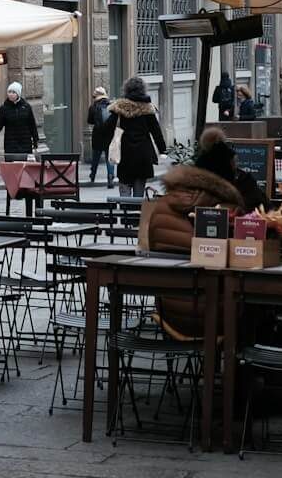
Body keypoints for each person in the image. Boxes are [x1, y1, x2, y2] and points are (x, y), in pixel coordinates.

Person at [140, 128, 247, 337]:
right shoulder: (229, 210)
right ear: (225, 176)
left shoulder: (161, 207)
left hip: (168, 315)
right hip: (217, 316)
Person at [99, 77, 168, 194]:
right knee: (139, 194)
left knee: (124, 190)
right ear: (143, 90)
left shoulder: (119, 108)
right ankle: (136, 211)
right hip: (143, 155)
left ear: (126, 90)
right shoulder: (148, 109)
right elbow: (156, 132)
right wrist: (162, 150)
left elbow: (106, 129)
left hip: (125, 154)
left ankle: (126, 210)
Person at [0, 81, 39, 161]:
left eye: (13, 92)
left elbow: (32, 125)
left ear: (18, 94)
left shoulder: (26, 107)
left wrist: (35, 140)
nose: (11, 94)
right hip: (11, 144)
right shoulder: (4, 108)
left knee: (24, 167)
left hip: (25, 143)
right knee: (11, 167)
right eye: (9, 92)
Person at [84, 87, 113, 184]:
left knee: (96, 156)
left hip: (98, 135)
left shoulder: (93, 107)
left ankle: (93, 175)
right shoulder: (111, 105)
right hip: (109, 134)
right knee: (109, 158)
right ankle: (110, 177)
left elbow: (89, 121)